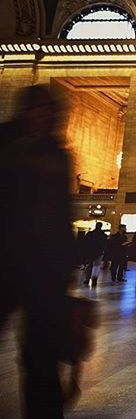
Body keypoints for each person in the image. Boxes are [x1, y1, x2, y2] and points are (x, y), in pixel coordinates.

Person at [0, 85, 76, 417]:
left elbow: (62, 211)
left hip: (43, 266)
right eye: (36, 107)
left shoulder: (57, 153)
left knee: (42, 355)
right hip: (4, 257)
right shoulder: (5, 144)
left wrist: (65, 266)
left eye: (49, 108)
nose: (42, 114)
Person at [83, 222, 108, 287]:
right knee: (96, 266)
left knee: (89, 266)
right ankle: (94, 279)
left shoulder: (90, 234)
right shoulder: (103, 235)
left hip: (90, 252)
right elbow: (105, 244)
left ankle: (87, 279)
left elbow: (85, 243)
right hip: (99, 252)